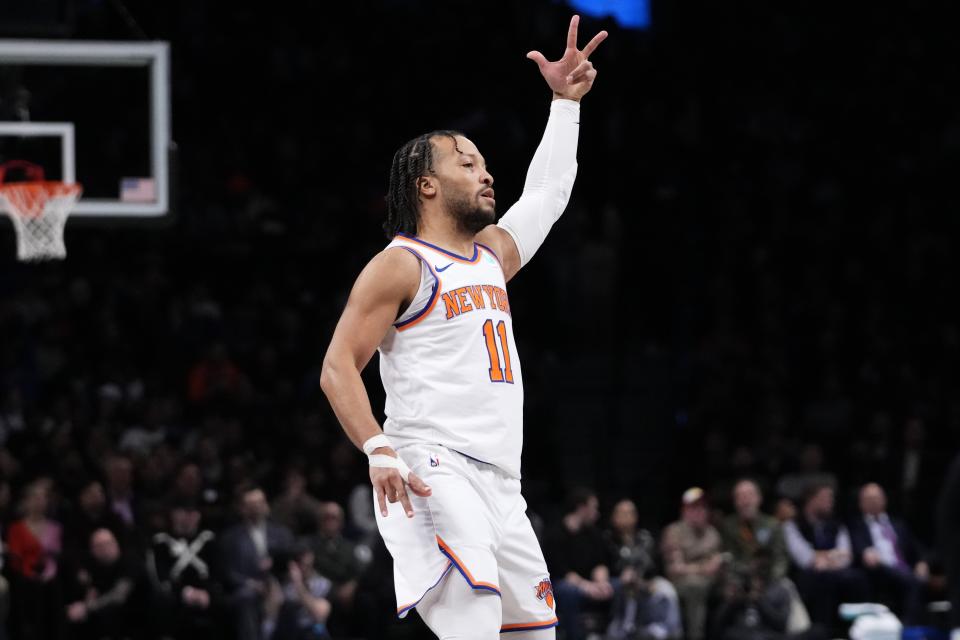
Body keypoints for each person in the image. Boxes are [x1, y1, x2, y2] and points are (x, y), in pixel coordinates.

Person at [319, 14, 606, 639]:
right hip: (433, 465)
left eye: (484, 163)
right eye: (467, 163)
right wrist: (379, 449)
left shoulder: (492, 257)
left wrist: (564, 104)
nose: (486, 172)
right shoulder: (400, 265)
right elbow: (338, 366)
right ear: (427, 185)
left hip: (503, 484)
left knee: (535, 636)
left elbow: (549, 193)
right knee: (472, 627)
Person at [782, 484, 867, 629]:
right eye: (825, 498)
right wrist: (832, 555)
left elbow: (846, 556)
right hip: (806, 576)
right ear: (811, 500)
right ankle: (821, 631)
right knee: (823, 580)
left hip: (835, 571)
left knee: (858, 577)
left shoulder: (837, 524)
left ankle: (857, 630)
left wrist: (826, 560)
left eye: (831, 498)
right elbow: (804, 558)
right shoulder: (793, 525)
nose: (830, 502)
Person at [219, 485, 295, 640]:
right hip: (249, 587)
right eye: (252, 505)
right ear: (242, 508)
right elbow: (228, 572)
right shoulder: (230, 538)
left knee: (294, 597)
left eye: (260, 503)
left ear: (266, 505)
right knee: (246, 597)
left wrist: (274, 573)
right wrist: (252, 584)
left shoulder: (282, 534)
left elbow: (290, 563)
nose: (257, 508)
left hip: (278, 585)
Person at [848, 482, 927, 625]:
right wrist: (865, 552)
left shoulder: (898, 524)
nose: (873, 501)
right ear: (861, 504)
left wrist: (922, 562)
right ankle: (908, 628)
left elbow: (916, 549)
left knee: (918, 578)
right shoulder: (856, 526)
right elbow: (857, 548)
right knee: (912, 582)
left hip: (904, 568)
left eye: (877, 497)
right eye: (869, 499)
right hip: (880, 569)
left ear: (885, 500)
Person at [543, 488, 615, 640]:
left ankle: (617, 633)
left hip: (590, 583)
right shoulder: (555, 534)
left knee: (619, 586)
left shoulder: (593, 533)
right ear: (582, 508)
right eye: (594, 508)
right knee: (568, 591)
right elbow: (561, 571)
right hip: (564, 583)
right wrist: (586, 586)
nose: (597, 513)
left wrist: (601, 583)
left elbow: (600, 562)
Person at [146, 499, 222, 640]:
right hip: (175, 595)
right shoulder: (161, 542)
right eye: (183, 512)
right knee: (162, 602)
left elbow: (218, 572)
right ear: (173, 515)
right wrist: (184, 592)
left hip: (205, 593)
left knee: (223, 602)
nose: (188, 517)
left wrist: (207, 592)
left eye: (192, 513)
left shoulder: (208, 540)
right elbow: (159, 576)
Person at [660, 487, 724, 640]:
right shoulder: (674, 532)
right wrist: (703, 568)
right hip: (681, 582)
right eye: (694, 508)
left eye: (703, 507)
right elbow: (676, 569)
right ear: (684, 510)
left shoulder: (712, 533)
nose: (699, 512)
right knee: (695, 586)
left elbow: (716, 562)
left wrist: (719, 564)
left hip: (710, 581)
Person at [5, 478, 63, 640]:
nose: (40, 501)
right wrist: (30, 575)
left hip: (49, 580)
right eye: (35, 497)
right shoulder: (15, 528)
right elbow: (15, 559)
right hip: (24, 580)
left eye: (43, 497)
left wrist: (48, 574)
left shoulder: (55, 527)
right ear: (27, 501)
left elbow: (55, 556)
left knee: (53, 588)